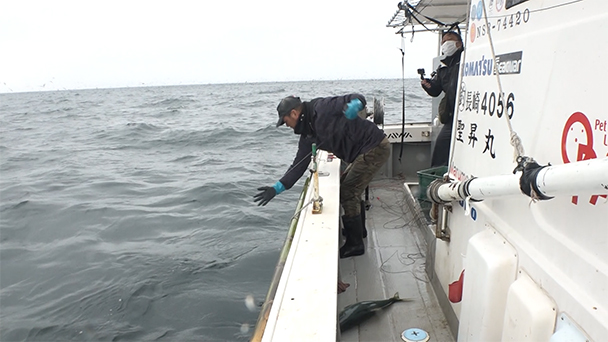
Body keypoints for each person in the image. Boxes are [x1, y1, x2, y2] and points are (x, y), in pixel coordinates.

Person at [253, 94, 390, 259]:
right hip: (362, 152)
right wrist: (277, 188)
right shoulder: (308, 135)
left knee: (348, 191)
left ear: (294, 114)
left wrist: (355, 105)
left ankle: (356, 244)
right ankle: (359, 230)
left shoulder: (322, 107)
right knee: (347, 185)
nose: (286, 126)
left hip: (374, 146)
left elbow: (357, 97)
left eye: (285, 121)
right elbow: (298, 167)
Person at [421, 31, 464, 167]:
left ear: (459, 43)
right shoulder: (443, 67)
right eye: (443, 42)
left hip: (466, 113)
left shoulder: (466, 59)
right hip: (451, 117)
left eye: (449, 40)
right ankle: (436, 179)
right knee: (440, 150)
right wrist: (428, 85)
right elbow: (436, 90)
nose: (446, 44)